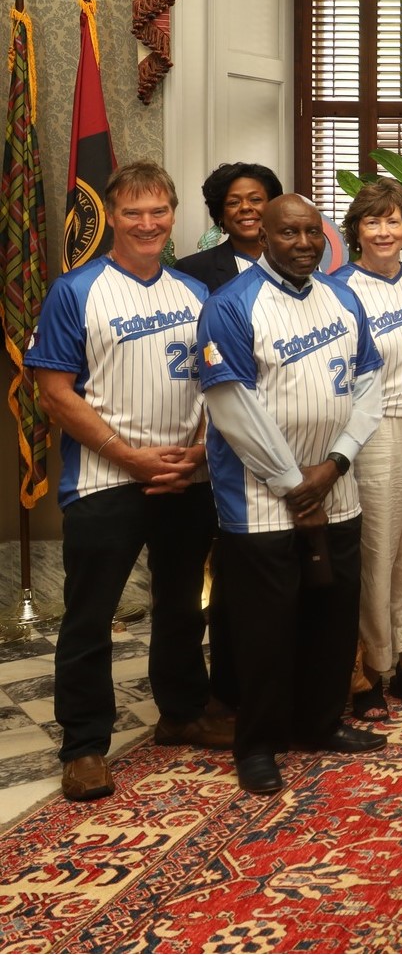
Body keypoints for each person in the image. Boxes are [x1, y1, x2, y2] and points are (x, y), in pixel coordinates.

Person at [27, 162, 227, 802]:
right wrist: (130, 457)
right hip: (104, 481)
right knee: (90, 617)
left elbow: (219, 385)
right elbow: (55, 393)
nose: (148, 224)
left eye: (159, 211)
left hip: (186, 479)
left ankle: (182, 710)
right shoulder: (76, 291)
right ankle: (85, 745)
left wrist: (197, 453)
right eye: (134, 212)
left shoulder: (196, 295)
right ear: (112, 216)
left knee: (179, 604)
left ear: (174, 216)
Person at [198, 194, 387, 795]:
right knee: (264, 630)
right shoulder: (232, 306)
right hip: (259, 502)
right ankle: (258, 743)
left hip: (337, 488)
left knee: (332, 619)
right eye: (289, 234)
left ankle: (321, 721)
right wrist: (291, 483)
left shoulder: (344, 296)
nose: (303, 243)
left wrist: (332, 466)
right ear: (264, 236)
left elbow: (369, 386)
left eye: (312, 232)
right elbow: (233, 407)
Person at [332, 178, 402, 714]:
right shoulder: (338, 290)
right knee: (376, 550)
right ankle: (368, 671)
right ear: (356, 229)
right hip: (369, 435)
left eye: (393, 220)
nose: (384, 230)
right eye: (373, 221)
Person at [173, 162, 282, 291]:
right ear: (220, 215)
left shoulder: (299, 262)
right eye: (234, 202)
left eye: (255, 199)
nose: (246, 207)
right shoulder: (192, 269)